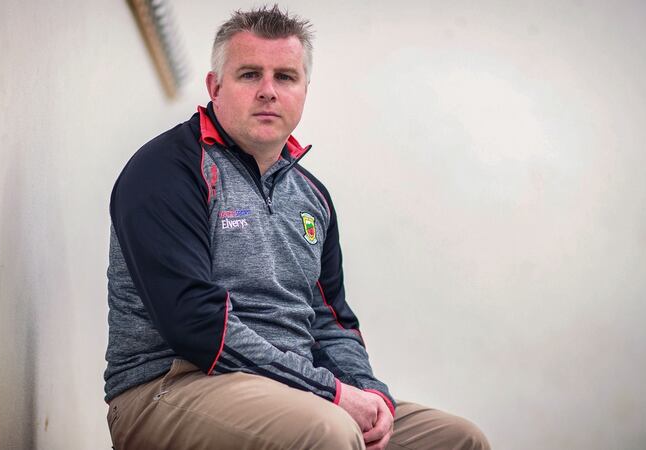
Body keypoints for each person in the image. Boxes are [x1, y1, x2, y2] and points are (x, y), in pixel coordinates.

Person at [104, 5, 490, 450]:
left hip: (298, 389)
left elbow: (331, 323)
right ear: (215, 86)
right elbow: (195, 324)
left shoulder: (313, 196)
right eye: (250, 74)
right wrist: (330, 394)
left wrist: (368, 391)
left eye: (285, 77)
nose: (268, 91)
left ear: (305, 90)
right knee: (329, 430)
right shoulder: (167, 170)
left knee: (458, 439)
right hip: (169, 388)